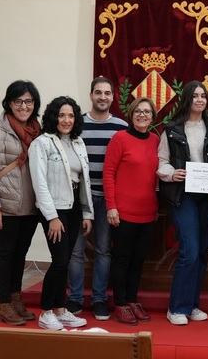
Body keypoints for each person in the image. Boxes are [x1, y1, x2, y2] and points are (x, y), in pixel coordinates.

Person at [157, 80, 208, 326]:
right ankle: (176, 307)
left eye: (204, 96)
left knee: (201, 251)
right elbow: (162, 162)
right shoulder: (172, 128)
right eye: (195, 96)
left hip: (206, 195)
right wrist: (171, 174)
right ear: (187, 99)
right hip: (182, 195)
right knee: (188, 250)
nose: (200, 99)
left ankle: (193, 304)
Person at [0, 80, 42, 326]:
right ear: (9, 103)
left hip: (30, 206)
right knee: (5, 254)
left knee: (20, 254)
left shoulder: (38, 129)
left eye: (28, 101)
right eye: (18, 101)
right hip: (5, 205)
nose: (24, 106)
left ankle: (16, 299)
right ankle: (4, 304)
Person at [29, 96, 93, 330]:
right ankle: (46, 312)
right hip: (54, 209)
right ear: (53, 116)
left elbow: (84, 180)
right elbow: (40, 183)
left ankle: (60, 310)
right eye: (61, 115)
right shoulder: (42, 143)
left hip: (75, 207)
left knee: (65, 261)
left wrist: (87, 213)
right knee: (59, 261)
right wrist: (52, 217)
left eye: (71, 115)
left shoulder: (78, 142)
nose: (66, 120)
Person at [66, 77, 127, 321]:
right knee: (76, 251)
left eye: (107, 93)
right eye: (98, 93)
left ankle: (100, 299)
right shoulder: (76, 124)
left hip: (107, 199)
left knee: (103, 251)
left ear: (113, 97)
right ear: (91, 95)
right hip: (80, 199)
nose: (103, 97)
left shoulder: (121, 127)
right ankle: (75, 298)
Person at [104, 97, 160, 325]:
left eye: (147, 112)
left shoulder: (156, 140)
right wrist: (111, 207)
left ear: (153, 117)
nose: (142, 115)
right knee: (122, 259)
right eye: (138, 111)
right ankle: (120, 304)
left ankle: (132, 301)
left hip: (148, 211)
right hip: (123, 212)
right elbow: (108, 173)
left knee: (138, 260)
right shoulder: (120, 138)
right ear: (131, 114)